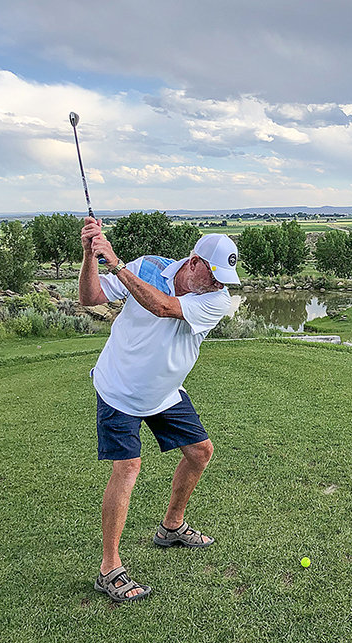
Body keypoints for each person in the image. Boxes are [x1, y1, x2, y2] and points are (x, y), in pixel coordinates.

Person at [78, 216, 239, 602]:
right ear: (194, 261)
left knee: (200, 452)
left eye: (224, 281)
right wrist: (90, 256)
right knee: (128, 467)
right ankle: (109, 568)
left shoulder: (215, 299)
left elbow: (164, 307)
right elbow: (91, 298)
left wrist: (115, 263)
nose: (219, 286)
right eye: (214, 276)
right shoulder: (147, 265)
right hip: (119, 389)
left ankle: (171, 526)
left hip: (165, 392)